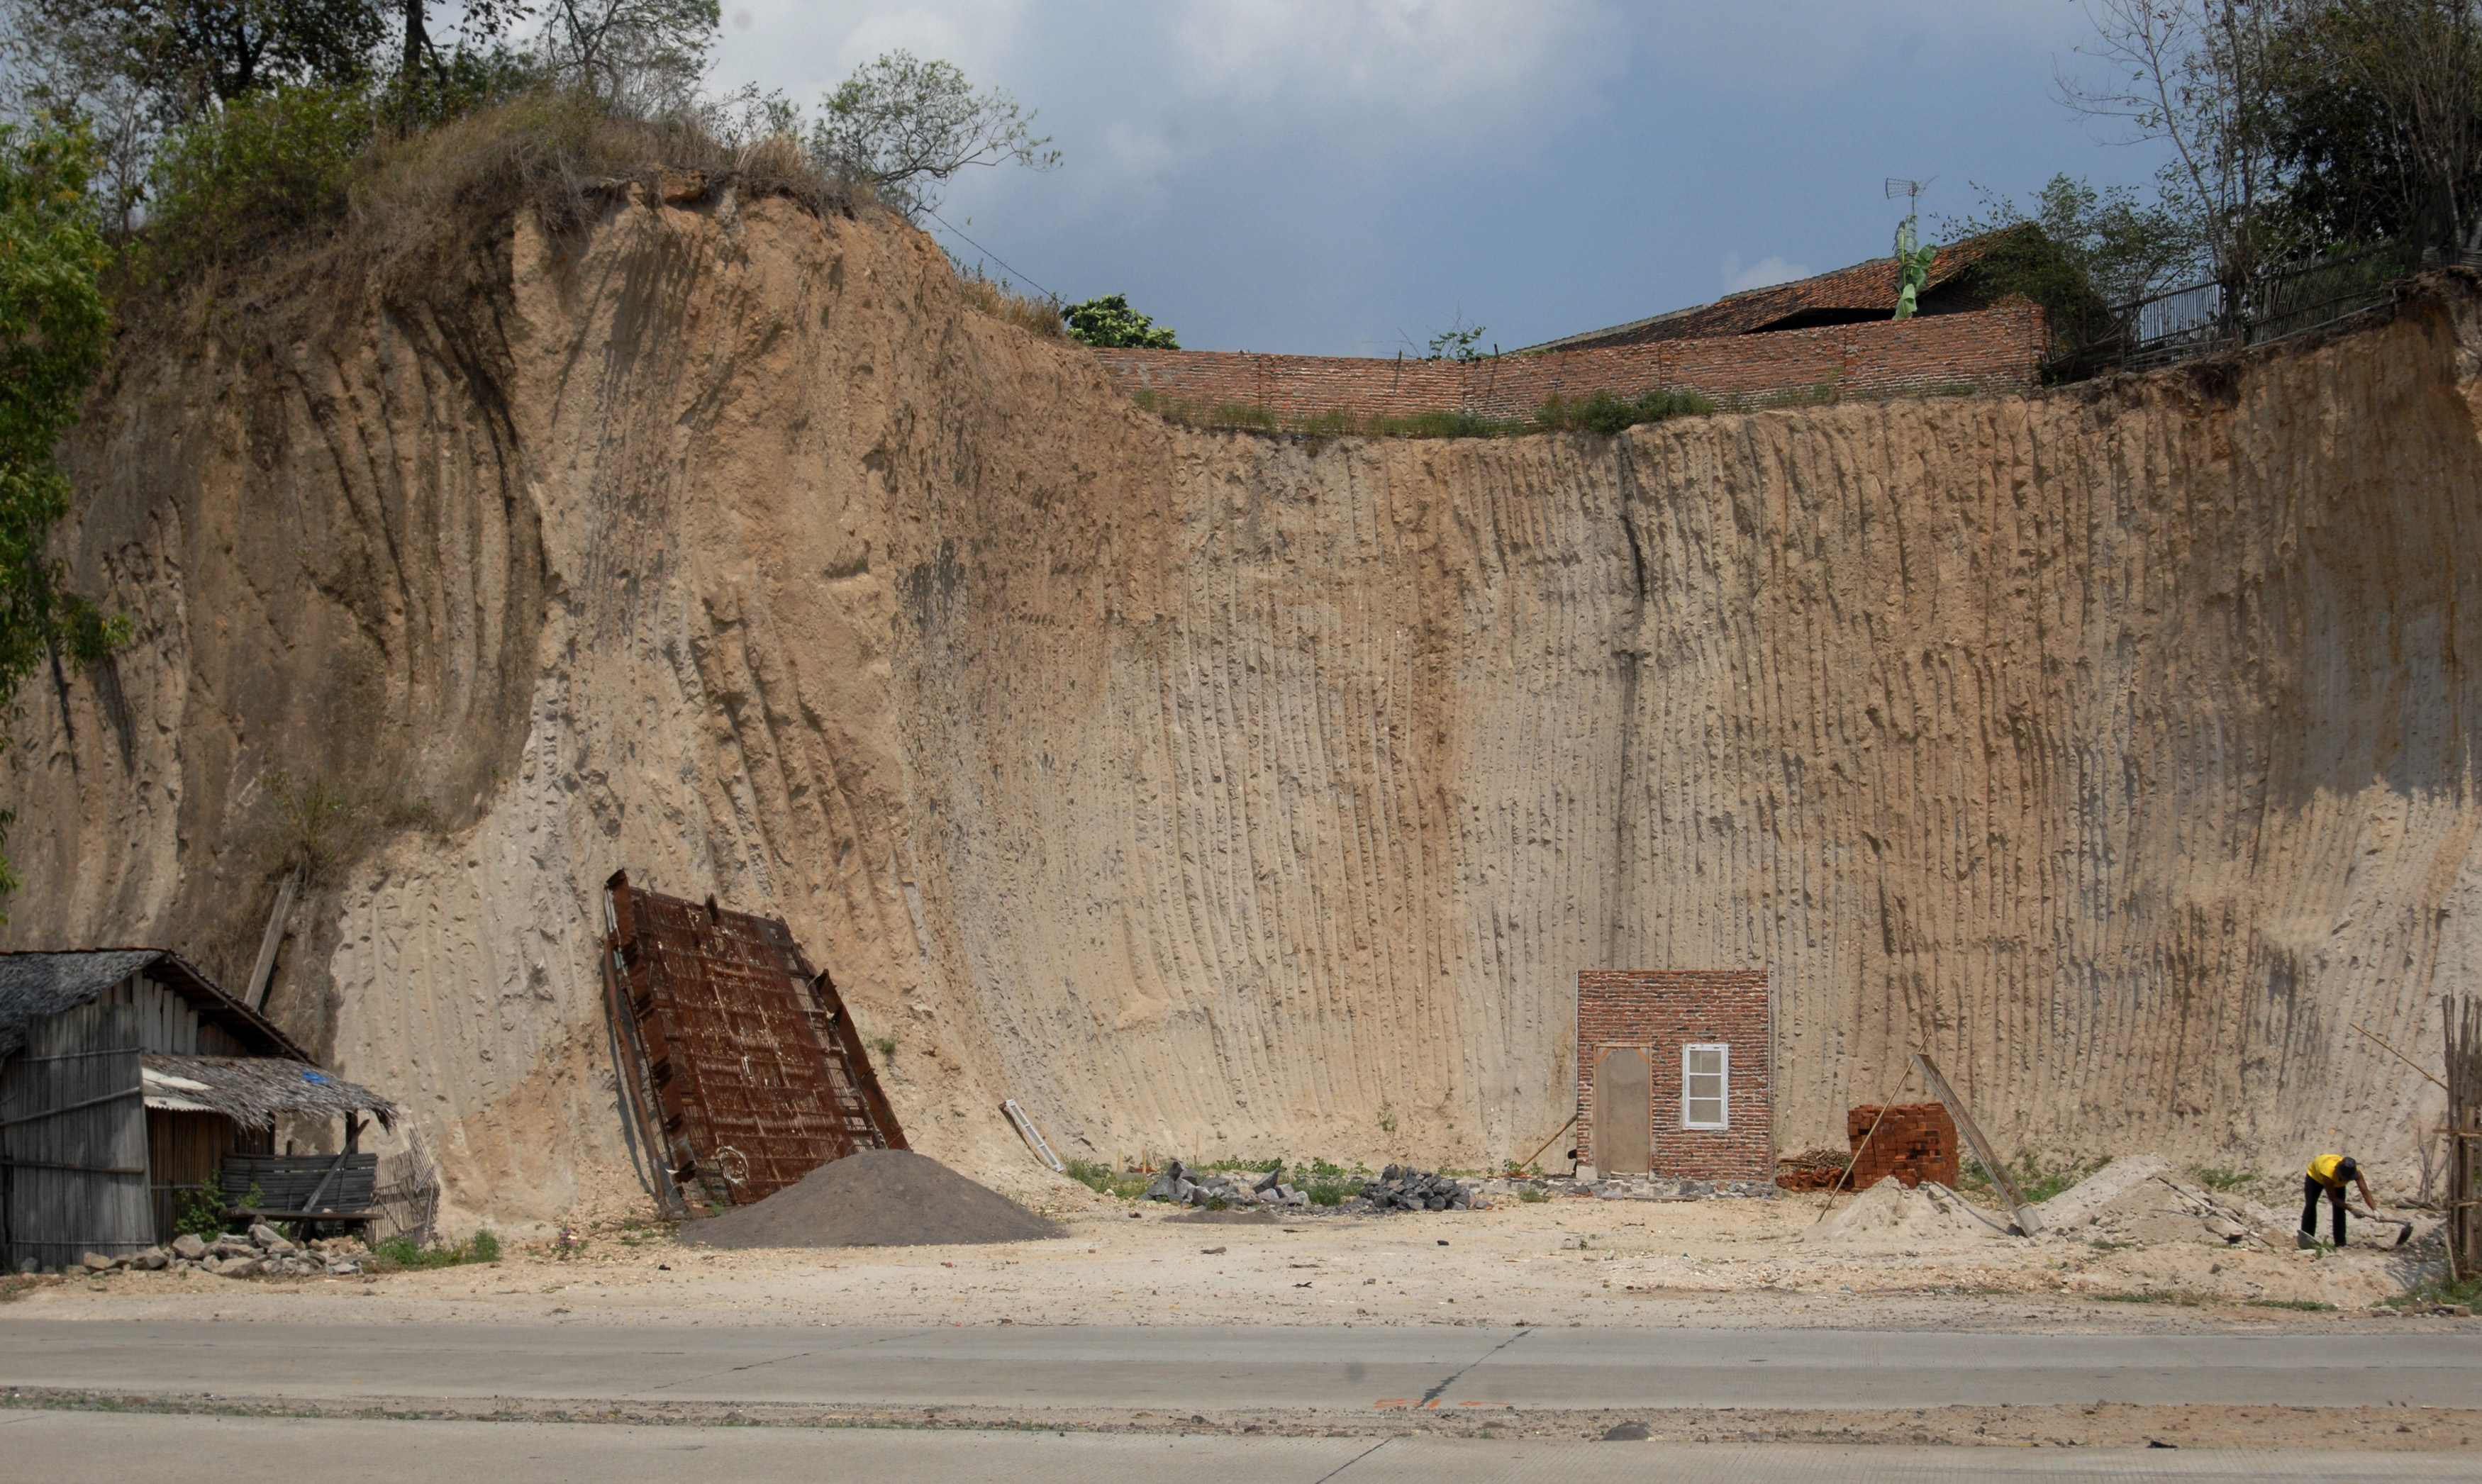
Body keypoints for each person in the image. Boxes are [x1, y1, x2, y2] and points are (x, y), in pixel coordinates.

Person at [2300, 1154, 2374, 1248]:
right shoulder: (2328, 1173)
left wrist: (2374, 1210)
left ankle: (2340, 1243)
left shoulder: (2355, 1171)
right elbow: (2333, 1198)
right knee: (2311, 1205)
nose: (2346, 1180)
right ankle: (2307, 1240)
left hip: (2334, 1179)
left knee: (2340, 1210)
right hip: (2315, 1177)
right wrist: (2351, 1208)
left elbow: (2365, 1191)